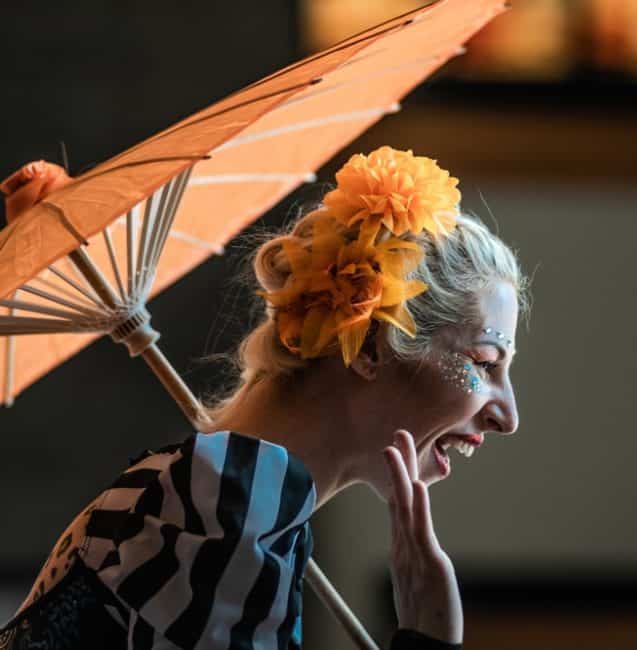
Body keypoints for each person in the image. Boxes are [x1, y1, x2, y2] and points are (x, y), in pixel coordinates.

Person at [0, 146, 530, 649]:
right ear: (369, 346)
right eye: (484, 364)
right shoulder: (230, 505)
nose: (508, 416)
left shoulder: (230, 498)